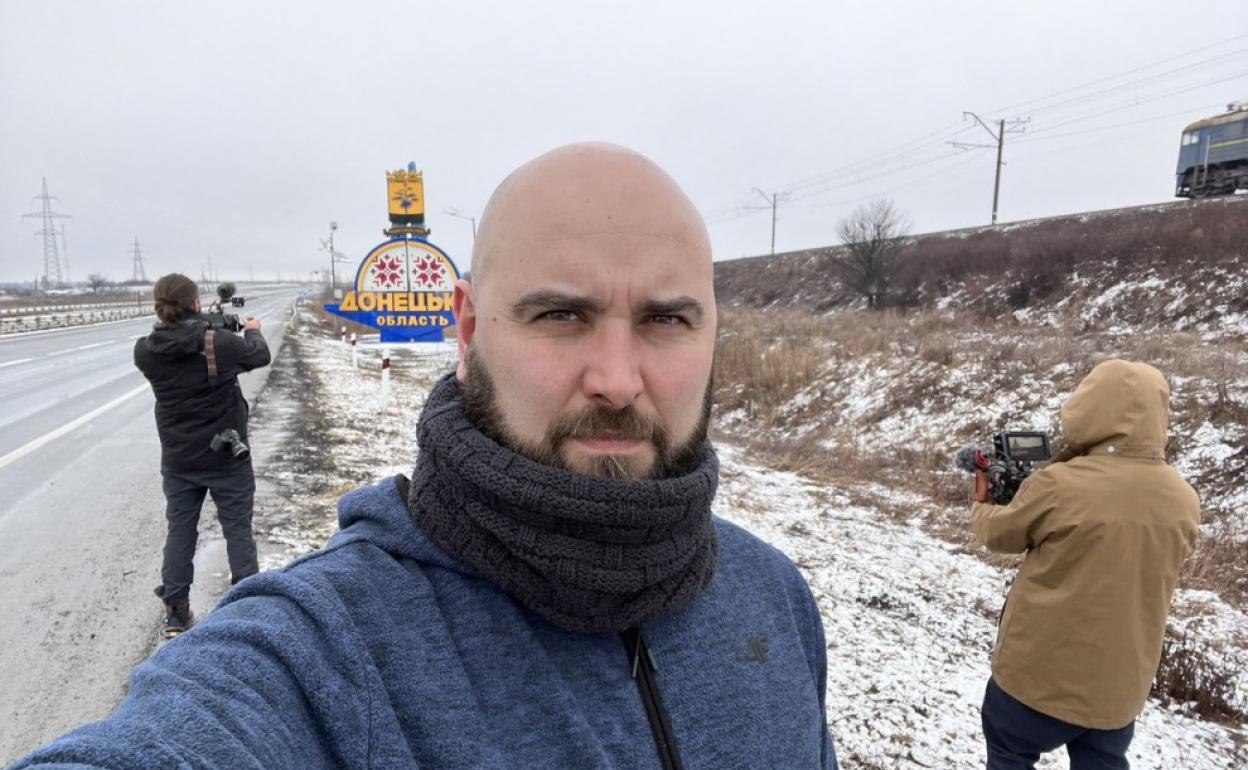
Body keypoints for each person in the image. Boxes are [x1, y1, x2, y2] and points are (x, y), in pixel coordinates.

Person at [11, 144, 836, 769]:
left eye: (667, 320)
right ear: (471, 333)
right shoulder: (326, 653)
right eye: (560, 316)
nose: (618, 380)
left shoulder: (777, 599)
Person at [969, 359, 1200, 770]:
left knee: (1009, 755)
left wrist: (982, 501)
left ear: (1088, 408)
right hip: (1118, 691)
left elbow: (998, 535)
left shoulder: (1058, 484)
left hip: (1033, 680)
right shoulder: (1184, 499)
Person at [132, 273, 272, 638]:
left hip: (179, 460)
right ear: (194, 304)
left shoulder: (145, 350)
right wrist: (252, 330)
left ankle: (176, 612)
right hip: (225, 454)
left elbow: (181, 349)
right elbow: (259, 354)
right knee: (237, 530)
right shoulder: (218, 343)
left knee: (180, 531)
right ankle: (247, 605)